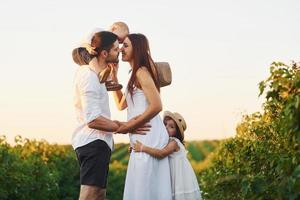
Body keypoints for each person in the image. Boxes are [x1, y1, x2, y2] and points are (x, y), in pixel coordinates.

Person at [72, 31, 148, 200]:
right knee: (90, 195)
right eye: (115, 49)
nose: (119, 51)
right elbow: (93, 120)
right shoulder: (88, 76)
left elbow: (117, 94)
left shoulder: (98, 76)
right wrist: (125, 126)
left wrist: (113, 74)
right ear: (104, 53)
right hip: (93, 142)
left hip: (99, 143)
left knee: (99, 195)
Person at [111, 33, 172, 200]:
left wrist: (130, 126)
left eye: (126, 46)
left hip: (149, 134)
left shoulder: (141, 72)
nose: (121, 49)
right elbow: (121, 105)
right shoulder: (134, 73)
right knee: (141, 187)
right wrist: (114, 79)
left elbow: (156, 105)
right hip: (140, 134)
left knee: (146, 186)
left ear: (136, 49)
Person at [133, 111, 202, 200]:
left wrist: (143, 148)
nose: (166, 127)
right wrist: (135, 148)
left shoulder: (174, 142)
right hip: (171, 174)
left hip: (178, 177)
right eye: (165, 124)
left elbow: (161, 153)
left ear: (176, 132)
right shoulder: (165, 141)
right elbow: (155, 149)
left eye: (171, 127)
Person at [72, 22, 129, 91]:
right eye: (117, 38)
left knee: (112, 57)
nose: (118, 41)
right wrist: (89, 47)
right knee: (91, 55)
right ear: (113, 29)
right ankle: (100, 74)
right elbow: (85, 42)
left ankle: (108, 81)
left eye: (120, 42)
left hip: (93, 54)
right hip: (80, 51)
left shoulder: (108, 42)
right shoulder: (98, 31)